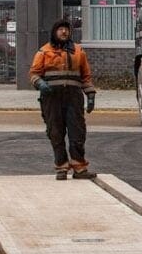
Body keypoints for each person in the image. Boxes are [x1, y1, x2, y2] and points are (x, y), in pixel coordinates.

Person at [29, 19, 96, 180]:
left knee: (77, 133)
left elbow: (85, 76)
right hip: (51, 98)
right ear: (54, 32)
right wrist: (40, 84)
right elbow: (34, 73)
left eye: (66, 29)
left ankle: (79, 168)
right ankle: (61, 167)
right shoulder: (44, 52)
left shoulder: (78, 51)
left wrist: (90, 94)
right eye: (60, 29)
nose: (64, 32)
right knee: (55, 132)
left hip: (73, 97)